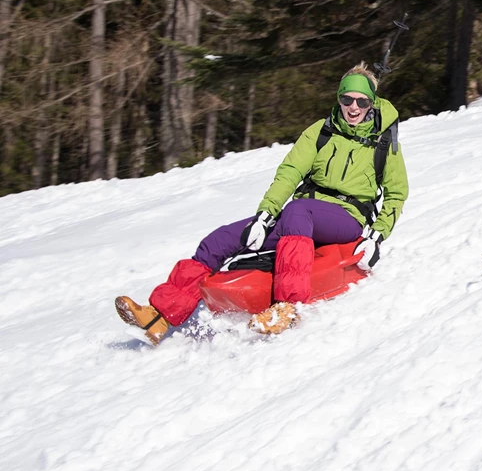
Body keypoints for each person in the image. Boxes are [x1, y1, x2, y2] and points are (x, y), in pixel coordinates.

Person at [115, 64, 408, 343]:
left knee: (297, 210)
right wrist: (265, 215)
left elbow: (397, 192)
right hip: (300, 219)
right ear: (339, 99)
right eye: (347, 99)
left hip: (346, 218)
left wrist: (377, 236)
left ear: (371, 103)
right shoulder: (321, 131)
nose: (354, 107)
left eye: (361, 101)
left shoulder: (383, 142)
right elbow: (290, 172)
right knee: (220, 239)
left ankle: (287, 306)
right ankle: (159, 316)